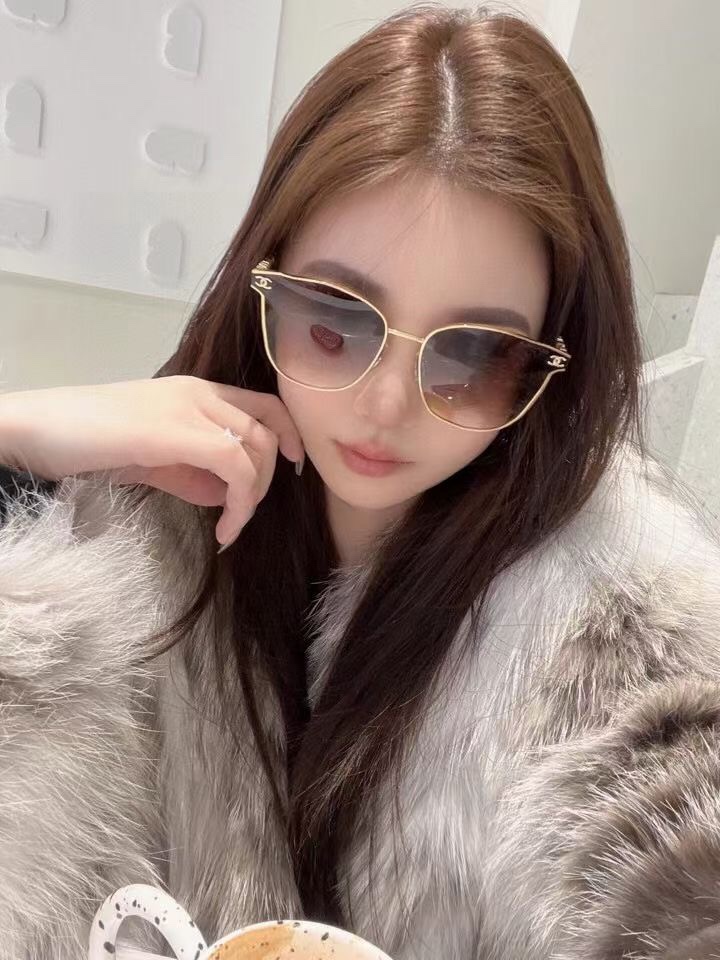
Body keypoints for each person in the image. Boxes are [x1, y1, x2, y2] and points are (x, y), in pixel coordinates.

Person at [0, 5, 719, 959]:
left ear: (554, 362)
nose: (386, 404)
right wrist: (18, 433)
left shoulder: (613, 614)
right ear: (264, 280)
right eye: (336, 320)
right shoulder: (131, 530)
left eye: (475, 354)